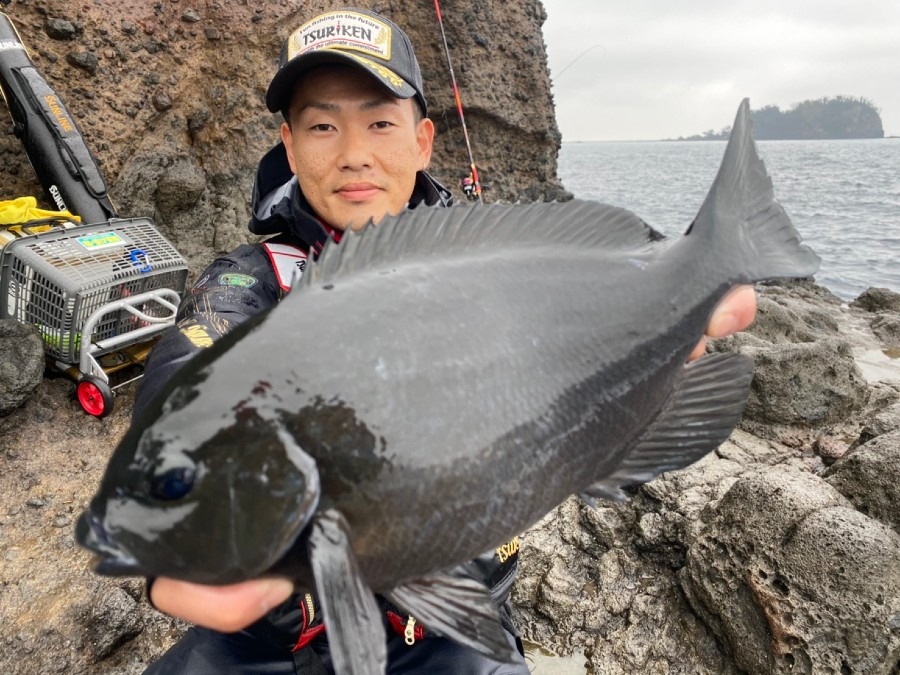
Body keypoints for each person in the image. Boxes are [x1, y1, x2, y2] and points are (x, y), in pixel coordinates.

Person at [133, 7, 759, 674]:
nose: (354, 153)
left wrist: (639, 358)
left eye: (379, 121)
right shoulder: (241, 290)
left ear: (423, 140)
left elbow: (579, 350)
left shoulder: (501, 270)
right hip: (264, 648)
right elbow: (186, 393)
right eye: (322, 125)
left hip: (450, 632)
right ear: (288, 145)